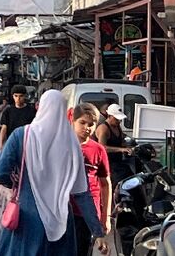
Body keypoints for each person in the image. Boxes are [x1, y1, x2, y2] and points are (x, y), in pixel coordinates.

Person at [0, 90, 106, 256]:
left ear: (40, 107)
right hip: (61, 224)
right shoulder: (72, 144)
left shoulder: (21, 135)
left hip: (26, 219)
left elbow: (0, 172)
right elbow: (82, 193)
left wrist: (18, 183)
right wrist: (98, 231)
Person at [70, 103, 111, 256]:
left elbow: (105, 184)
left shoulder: (98, 149)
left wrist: (105, 217)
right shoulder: (62, 145)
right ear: (73, 121)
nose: (86, 127)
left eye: (91, 124)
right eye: (82, 123)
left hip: (87, 214)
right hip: (63, 211)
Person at [94, 103, 133, 187]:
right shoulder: (104, 128)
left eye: (120, 120)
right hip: (108, 164)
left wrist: (128, 146)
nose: (119, 122)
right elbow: (102, 148)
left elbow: (121, 140)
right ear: (109, 116)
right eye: (116, 119)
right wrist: (121, 149)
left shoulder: (117, 127)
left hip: (118, 162)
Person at [0, 84, 37, 151]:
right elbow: (4, 128)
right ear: (13, 96)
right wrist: (1, 144)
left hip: (27, 144)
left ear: (25, 96)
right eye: (16, 96)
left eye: (21, 96)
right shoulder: (8, 111)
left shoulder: (31, 111)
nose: (18, 99)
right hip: (11, 143)